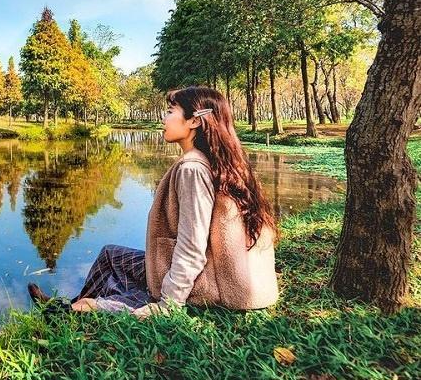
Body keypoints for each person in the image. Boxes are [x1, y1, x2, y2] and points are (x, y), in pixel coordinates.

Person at [28, 85, 279, 319]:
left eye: (170, 112)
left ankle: (76, 311)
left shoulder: (192, 169)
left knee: (108, 303)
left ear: (193, 121)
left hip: (205, 285)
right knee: (109, 255)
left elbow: (192, 246)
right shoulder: (212, 161)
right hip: (210, 274)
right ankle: (70, 306)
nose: (164, 118)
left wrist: (168, 303)